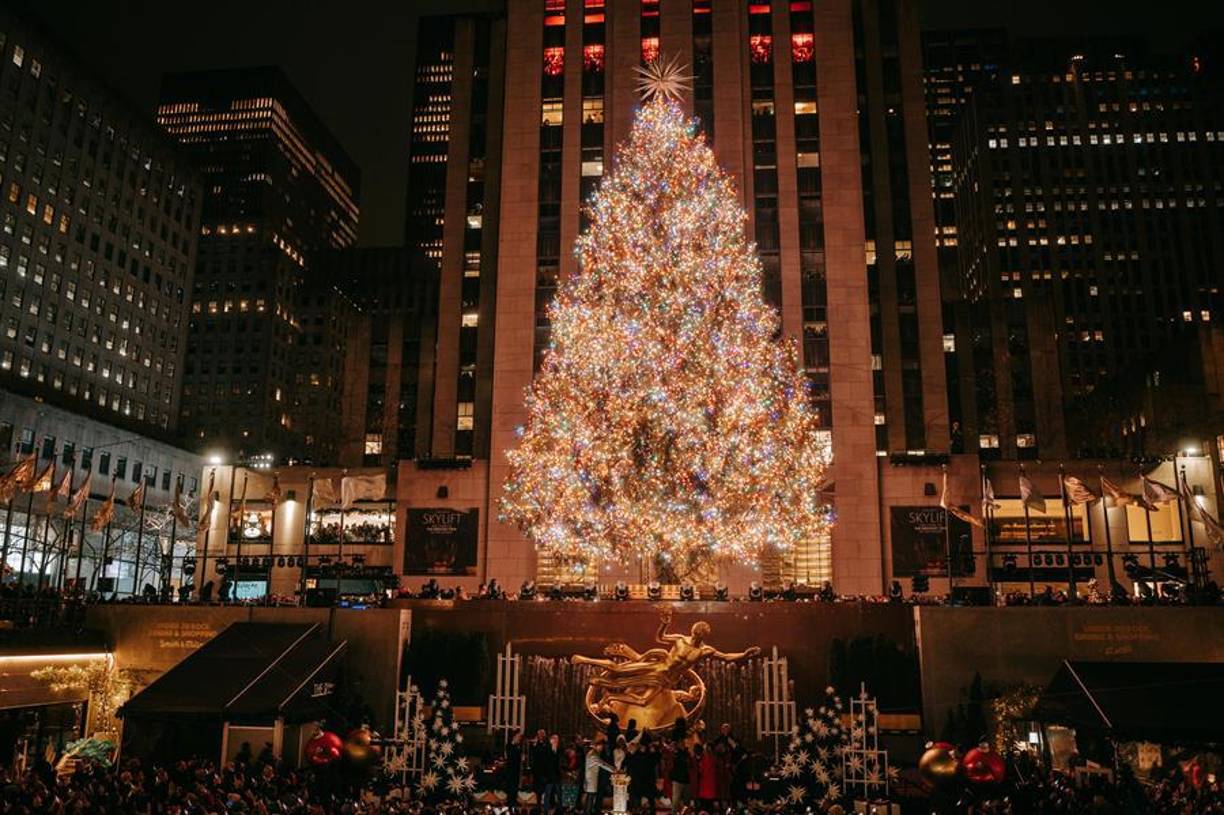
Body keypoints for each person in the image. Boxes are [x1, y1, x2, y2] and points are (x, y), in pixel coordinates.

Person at [583, 738, 613, 815]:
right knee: (590, 798)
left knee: (590, 797)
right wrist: (614, 770)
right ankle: (587, 812)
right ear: (597, 746)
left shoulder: (593, 753)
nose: (601, 749)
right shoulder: (593, 755)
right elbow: (602, 764)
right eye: (601, 747)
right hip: (591, 780)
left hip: (591, 780)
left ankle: (587, 812)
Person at [504, 730, 524, 809]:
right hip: (510, 769)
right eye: (518, 737)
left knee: (515, 785)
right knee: (510, 785)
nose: (519, 738)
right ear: (514, 737)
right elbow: (511, 756)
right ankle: (510, 801)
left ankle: (514, 800)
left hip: (516, 769)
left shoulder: (518, 746)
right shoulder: (509, 745)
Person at [668, 738, 690, 812]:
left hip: (686, 779)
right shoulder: (674, 754)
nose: (683, 745)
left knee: (686, 799)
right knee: (676, 799)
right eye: (681, 744)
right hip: (677, 780)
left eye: (683, 744)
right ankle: (674, 813)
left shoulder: (686, 754)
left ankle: (685, 812)